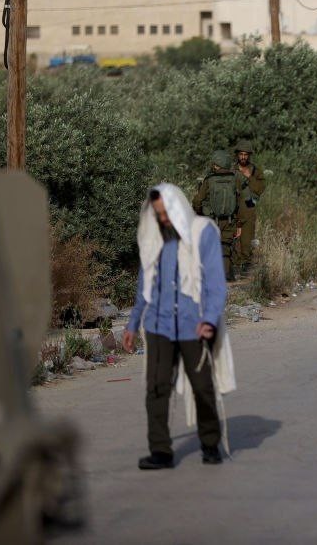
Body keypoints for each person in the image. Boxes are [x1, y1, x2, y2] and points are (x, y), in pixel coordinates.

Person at [123, 185, 234, 470]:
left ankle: (210, 444)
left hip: (193, 325)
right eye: (158, 215)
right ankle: (160, 451)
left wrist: (209, 319)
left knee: (202, 387)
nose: (163, 220)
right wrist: (133, 323)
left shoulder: (202, 232)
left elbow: (215, 283)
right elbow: (145, 284)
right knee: (156, 389)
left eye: (166, 213)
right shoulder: (154, 238)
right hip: (158, 325)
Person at [192, 151, 244, 281]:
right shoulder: (235, 179)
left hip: (210, 220)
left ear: (216, 165)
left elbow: (197, 201)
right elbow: (240, 204)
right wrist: (239, 224)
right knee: (225, 247)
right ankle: (226, 275)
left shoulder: (209, 180)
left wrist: (199, 213)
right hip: (230, 220)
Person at [233, 140, 265, 274]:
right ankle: (234, 267)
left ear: (249, 155)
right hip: (233, 209)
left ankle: (245, 266)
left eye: (246, 154)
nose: (243, 157)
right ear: (237, 154)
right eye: (241, 154)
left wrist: (249, 177)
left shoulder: (255, 171)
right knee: (234, 240)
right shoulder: (231, 170)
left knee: (247, 240)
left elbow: (260, 188)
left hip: (249, 208)